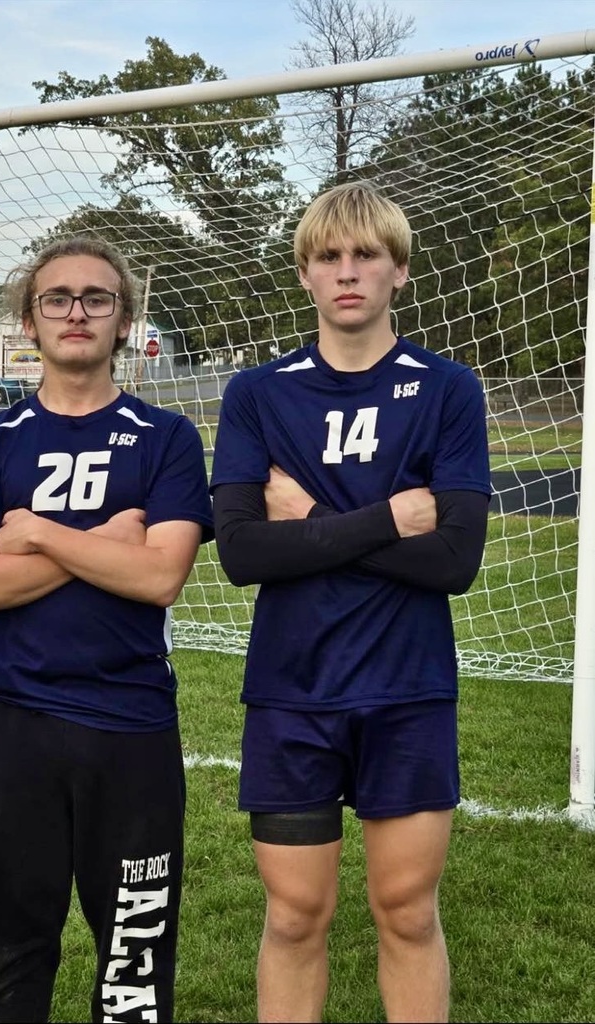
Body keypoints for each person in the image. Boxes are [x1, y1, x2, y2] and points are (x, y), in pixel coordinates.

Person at [210, 181, 491, 1023]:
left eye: (365, 254)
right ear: (303, 273)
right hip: (292, 693)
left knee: (405, 913)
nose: (347, 271)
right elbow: (243, 550)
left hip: (406, 691)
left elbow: (453, 559)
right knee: (295, 917)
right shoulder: (257, 393)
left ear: (398, 271)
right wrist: (383, 519)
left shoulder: (447, 389)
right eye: (328, 256)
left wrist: (314, 523)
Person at [0, 234, 214, 1024]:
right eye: (56, 298)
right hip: (9, 728)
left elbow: (159, 576)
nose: (76, 312)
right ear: (28, 321)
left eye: (97, 298)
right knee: (3, 958)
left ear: (124, 320)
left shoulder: (166, 439)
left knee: (132, 967)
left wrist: (43, 534)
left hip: (130, 731)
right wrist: (108, 541)